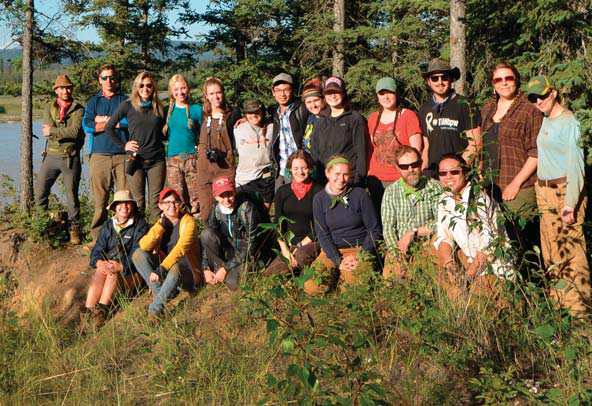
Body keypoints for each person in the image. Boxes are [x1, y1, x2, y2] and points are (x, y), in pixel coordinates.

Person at [526, 75, 590, 316]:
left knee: (572, 255)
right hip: (543, 193)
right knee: (552, 253)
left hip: (563, 192)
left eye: (542, 95)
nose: (539, 101)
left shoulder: (569, 122)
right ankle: (560, 310)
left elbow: (577, 167)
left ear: (553, 92)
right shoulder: (544, 119)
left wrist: (570, 204)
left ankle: (580, 313)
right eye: (533, 98)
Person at [479, 62, 543, 254]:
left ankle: (534, 281)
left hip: (519, 186)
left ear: (516, 80)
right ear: (493, 83)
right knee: (498, 241)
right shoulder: (487, 109)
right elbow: (481, 145)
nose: (504, 83)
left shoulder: (529, 110)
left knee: (522, 241)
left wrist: (515, 184)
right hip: (490, 185)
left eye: (509, 78)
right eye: (498, 79)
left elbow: (536, 152)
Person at [435, 154, 513, 299]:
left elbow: (489, 246)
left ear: (465, 173)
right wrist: (450, 266)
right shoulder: (444, 199)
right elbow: (443, 236)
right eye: (443, 173)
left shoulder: (480, 198)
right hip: (469, 262)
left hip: (494, 267)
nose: (448, 177)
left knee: (475, 303)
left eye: (454, 172)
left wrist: (467, 279)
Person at [304, 155, 381, 294]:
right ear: (327, 173)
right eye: (337, 174)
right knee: (311, 287)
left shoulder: (360, 195)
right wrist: (338, 260)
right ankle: (335, 274)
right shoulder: (319, 199)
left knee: (352, 289)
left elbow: (374, 229)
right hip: (332, 250)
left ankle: (345, 279)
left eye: (345, 174)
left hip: (358, 249)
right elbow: (322, 233)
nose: (341, 179)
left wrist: (361, 255)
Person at [106, 71, 166, 221]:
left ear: (153, 87)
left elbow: (168, 131)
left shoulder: (160, 107)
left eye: (149, 85)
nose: (145, 89)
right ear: (136, 87)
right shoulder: (127, 105)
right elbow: (109, 127)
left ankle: (156, 238)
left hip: (156, 161)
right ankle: (139, 237)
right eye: (141, 85)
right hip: (135, 160)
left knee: (156, 203)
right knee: (138, 202)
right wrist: (124, 145)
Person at [132, 187, 201, 317]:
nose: (172, 206)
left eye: (175, 202)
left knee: (175, 267)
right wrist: (161, 227)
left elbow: (181, 248)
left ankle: (154, 310)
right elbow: (144, 245)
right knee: (138, 254)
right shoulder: (160, 223)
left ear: (179, 204)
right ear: (160, 205)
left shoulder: (188, 222)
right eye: (167, 202)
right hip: (166, 274)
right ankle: (162, 296)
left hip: (187, 272)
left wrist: (162, 269)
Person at [83, 190, 149, 327]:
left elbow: (139, 254)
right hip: (110, 269)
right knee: (99, 271)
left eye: (128, 203)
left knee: (112, 273)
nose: (124, 207)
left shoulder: (141, 226)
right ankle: (87, 313)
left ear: (132, 206)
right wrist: (99, 262)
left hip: (133, 274)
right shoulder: (108, 225)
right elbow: (97, 249)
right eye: (120, 203)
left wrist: (121, 266)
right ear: (114, 207)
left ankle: (101, 312)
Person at [83, 64, 129, 247]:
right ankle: (98, 238)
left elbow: (130, 121)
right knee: (100, 200)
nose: (108, 81)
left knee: (125, 198)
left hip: (122, 155)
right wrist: (114, 122)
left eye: (111, 77)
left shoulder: (125, 100)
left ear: (116, 80)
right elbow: (87, 126)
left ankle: (125, 236)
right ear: (99, 80)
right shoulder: (93, 102)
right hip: (99, 155)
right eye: (104, 78)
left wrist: (104, 121)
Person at [36, 74, 85, 244]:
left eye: (68, 87)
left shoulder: (79, 109)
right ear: (56, 90)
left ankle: (74, 230)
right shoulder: (49, 107)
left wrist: (54, 131)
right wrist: (56, 132)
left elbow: (73, 131)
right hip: (51, 156)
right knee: (40, 191)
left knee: (72, 197)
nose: (65, 91)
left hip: (70, 158)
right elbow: (47, 132)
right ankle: (41, 227)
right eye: (62, 88)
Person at [381, 146, 442, 280]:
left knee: (427, 278)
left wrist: (413, 232)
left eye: (414, 164)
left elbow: (442, 223)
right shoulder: (391, 192)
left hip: (428, 244)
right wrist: (398, 254)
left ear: (421, 163)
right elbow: (388, 228)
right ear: (398, 168)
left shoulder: (435, 187)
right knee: (393, 283)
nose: (410, 170)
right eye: (404, 166)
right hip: (400, 247)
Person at [367, 77, 423, 218]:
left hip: (400, 178)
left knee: (402, 218)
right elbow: (370, 148)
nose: (386, 97)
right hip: (377, 180)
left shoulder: (408, 116)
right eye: (381, 93)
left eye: (389, 92)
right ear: (377, 96)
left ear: (396, 93)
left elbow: (416, 149)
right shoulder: (373, 118)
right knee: (380, 219)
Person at [418, 58, 480, 178]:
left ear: (451, 79)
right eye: (435, 78)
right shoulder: (424, 108)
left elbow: (475, 143)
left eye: (444, 77)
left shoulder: (465, 105)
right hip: (433, 174)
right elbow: (427, 146)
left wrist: (458, 169)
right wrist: (423, 170)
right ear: (428, 81)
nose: (440, 82)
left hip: (458, 174)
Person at [200, 176, 264, 290]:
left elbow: (252, 245)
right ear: (215, 196)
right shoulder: (216, 209)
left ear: (235, 191)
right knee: (206, 234)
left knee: (232, 283)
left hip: (250, 255)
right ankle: (218, 271)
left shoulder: (247, 209)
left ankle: (225, 272)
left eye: (229, 194)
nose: (226, 200)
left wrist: (226, 268)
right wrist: (205, 268)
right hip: (231, 252)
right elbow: (207, 243)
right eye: (221, 196)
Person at [265, 150, 323, 275]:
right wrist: (285, 251)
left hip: (311, 242)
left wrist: (300, 245)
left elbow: (320, 225)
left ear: (310, 168)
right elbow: (277, 224)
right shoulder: (282, 192)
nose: (300, 172)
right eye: (295, 168)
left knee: (301, 257)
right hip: (289, 245)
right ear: (290, 169)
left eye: (304, 168)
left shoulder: (318, 191)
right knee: (269, 276)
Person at [310, 77, 368, 187]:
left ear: (343, 94)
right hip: (324, 181)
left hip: (347, 180)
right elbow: (314, 152)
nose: (333, 96)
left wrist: (359, 180)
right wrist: (314, 177)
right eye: (329, 92)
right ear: (325, 96)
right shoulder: (321, 120)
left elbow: (361, 152)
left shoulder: (354, 118)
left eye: (336, 92)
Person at [195, 77, 238, 222]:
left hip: (225, 167)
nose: (216, 97)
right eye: (211, 94)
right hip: (204, 169)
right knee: (207, 211)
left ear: (223, 93)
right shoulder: (202, 115)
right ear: (206, 95)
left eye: (218, 93)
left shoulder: (232, 115)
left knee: (229, 210)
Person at [163, 73, 203, 216]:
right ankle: (181, 227)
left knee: (196, 196)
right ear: (171, 92)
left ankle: (199, 227)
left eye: (183, 88)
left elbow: (205, 132)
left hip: (192, 159)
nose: (180, 92)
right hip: (173, 160)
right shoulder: (167, 110)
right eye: (176, 89)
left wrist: (200, 146)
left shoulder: (197, 110)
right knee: (177, 198)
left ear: (188, 89)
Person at [269, 72, 310, 189]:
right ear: (273, 92)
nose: (282, 94)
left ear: (292, 91)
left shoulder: (302, 109)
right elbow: (256, 117)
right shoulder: (274, 113)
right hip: (281, 170)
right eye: (278, 90)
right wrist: (244, 119)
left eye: (286, 89)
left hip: (301, 170)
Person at [234, 99, 274, 210]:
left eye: (257, 111)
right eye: (250, 112)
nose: (254, 115)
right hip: (245, 179)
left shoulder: (272, 126)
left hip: (266, 177)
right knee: (245, 212)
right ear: (245, 114)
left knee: (263, 214)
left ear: (262, 111)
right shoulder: (237, 129)